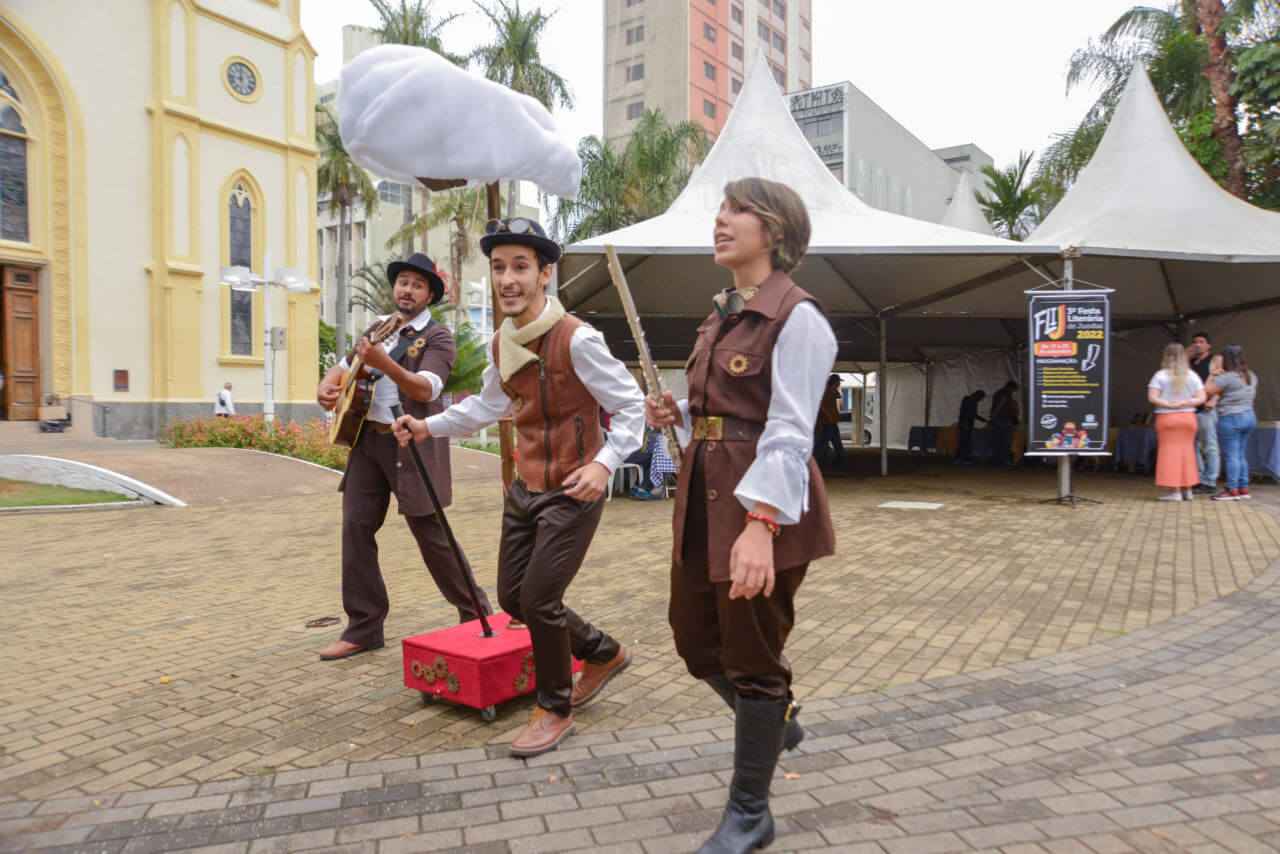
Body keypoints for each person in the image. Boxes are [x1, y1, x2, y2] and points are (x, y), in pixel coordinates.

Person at [393, 218, 644, 758]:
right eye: (499, 267)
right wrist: (427, 426)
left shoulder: (578, 339)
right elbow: (488, 406)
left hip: (574, 487)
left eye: (521, 267)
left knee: (539, 598)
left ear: (544, 274)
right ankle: (602, 651)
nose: (508, 279)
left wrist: (603, 466)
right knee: (513, 599)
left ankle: (554, 707)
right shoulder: (501, 343)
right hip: (525, 488)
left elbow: (632, 406)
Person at [647, 177, 836, 854]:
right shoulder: (721, 315)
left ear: (774, 231)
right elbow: (724, 408)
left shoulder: (798, 317)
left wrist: (762, 525)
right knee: (694, 642)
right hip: (704, 501)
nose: (720, 221)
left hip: (760, 507)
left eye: (738, 211)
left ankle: (751, 813)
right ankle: (774, 717)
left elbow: (789, 428)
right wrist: (678, 412)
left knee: (753, 658)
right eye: (721, 210)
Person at [315, 253, 492, 661]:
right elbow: (342, 368)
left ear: (429, 295)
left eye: (417, 285)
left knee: (432, 536)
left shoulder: (437, 337)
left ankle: (476, 615)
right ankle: (364, 627)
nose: (407, 290)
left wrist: (385, 364)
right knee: (356, 529)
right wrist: (325, 386)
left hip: (411, 443)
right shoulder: (379, 328)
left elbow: (426, 389)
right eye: (403, 282)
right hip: (368, 442)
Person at [1147, 342, 1206, 502]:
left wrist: (1169, 404)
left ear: (1166, 356)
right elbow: (1202, 398)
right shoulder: (1192, 375)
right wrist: (1186, 403)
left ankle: (1174, 491)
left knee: (1169, 453)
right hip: (1188, 418)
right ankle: (1188, 490)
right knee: (1187, 453)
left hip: (1167, 418)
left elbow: (1152, 397)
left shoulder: (1160, 375)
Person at [1206, 344, 1258, 501]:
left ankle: (1231, 489)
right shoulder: (1251, 375)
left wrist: (1212, 374)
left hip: (1231, 418)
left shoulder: (1227, 377)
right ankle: (1243, 488)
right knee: (1241, 454)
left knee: (1232, 456)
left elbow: (1206, 390)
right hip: (1249, 416)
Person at [1187, 332, 1219, 494]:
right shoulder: (1190, 361)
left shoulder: (1214, 360)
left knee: (1209, 446)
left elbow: (1221, 382)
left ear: (1208, 345)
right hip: (1191, 409)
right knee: (1192, 446)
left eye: (1201, 342)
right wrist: (1187, 354)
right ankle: (1198, 479)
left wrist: (1214, 400)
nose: (1197, 344)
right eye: (1195, 342)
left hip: (1206, 409)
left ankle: (1210, 480)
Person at [814, 374, 844, 470]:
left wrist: (834, 389)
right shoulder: (825, 392)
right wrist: (828, 415)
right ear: (834, 382)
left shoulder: (832, 391)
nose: (839, 384)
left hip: (832, 422)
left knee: (835, 443)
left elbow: (839, 396)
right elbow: (821, 406)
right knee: (822, 444)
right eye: (838, 382)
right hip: (826, 423)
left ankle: (838, 462)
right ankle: (818, 463)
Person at [989, 381, 1019, 466]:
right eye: (1013, 390)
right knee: (1006, 440)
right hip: (1003, 419)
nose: (1013, 392)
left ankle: (997, 460)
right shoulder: (1005, 394)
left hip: (999, 420)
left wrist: (992, 417)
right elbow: (999, 406)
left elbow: (997, 406)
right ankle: (1004, 460)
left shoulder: (998, 393)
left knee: (998, 440)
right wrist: (993, 417)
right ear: (1011, 387)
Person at [955, 390, 987, 463]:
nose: (980, 400)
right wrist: (965, 423)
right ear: (978, 395)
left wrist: (983, 420)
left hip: (966, 423)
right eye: (981, 398)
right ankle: (962, 458)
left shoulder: (968, 400)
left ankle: (960, 458)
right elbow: (969, 414)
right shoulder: (971, 401)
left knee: (964, 441)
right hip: (966, 423)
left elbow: (970, 414)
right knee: (965, 441)